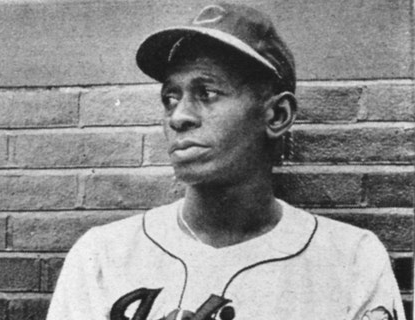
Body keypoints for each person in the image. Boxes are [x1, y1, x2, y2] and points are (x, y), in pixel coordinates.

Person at [46, 3, 405, 320]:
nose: (179, 116)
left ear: (277, 115)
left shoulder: (351, 260)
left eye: (207, 93)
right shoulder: (103, 255)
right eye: (171, 97)